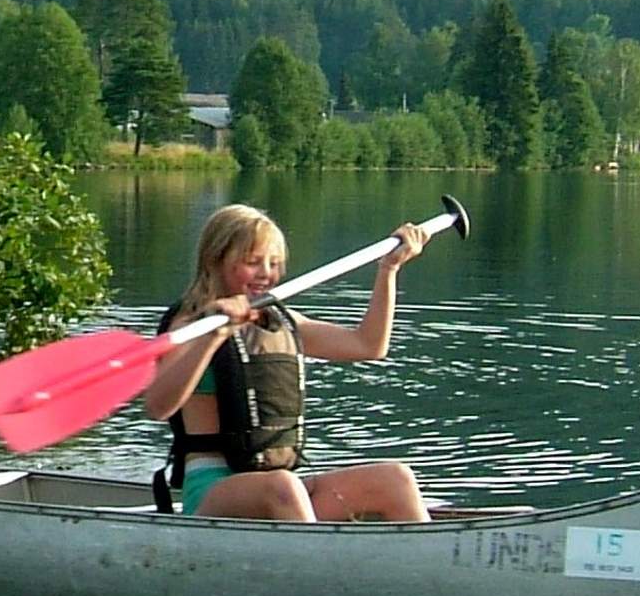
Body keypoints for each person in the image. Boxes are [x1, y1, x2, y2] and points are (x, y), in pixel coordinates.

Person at [144, 204, 431, 521]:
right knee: (284, 486)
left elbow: (369, 345)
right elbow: (158, 406)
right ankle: (316, 563)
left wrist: (388, 270)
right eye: (253, 262)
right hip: (213, 490)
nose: (266, 273)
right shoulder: (189, 326)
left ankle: (433, 564)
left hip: (277, 485)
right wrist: (212, 337)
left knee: (395, 480)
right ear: (216, 260)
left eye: (274, 263)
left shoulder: (279, 322)